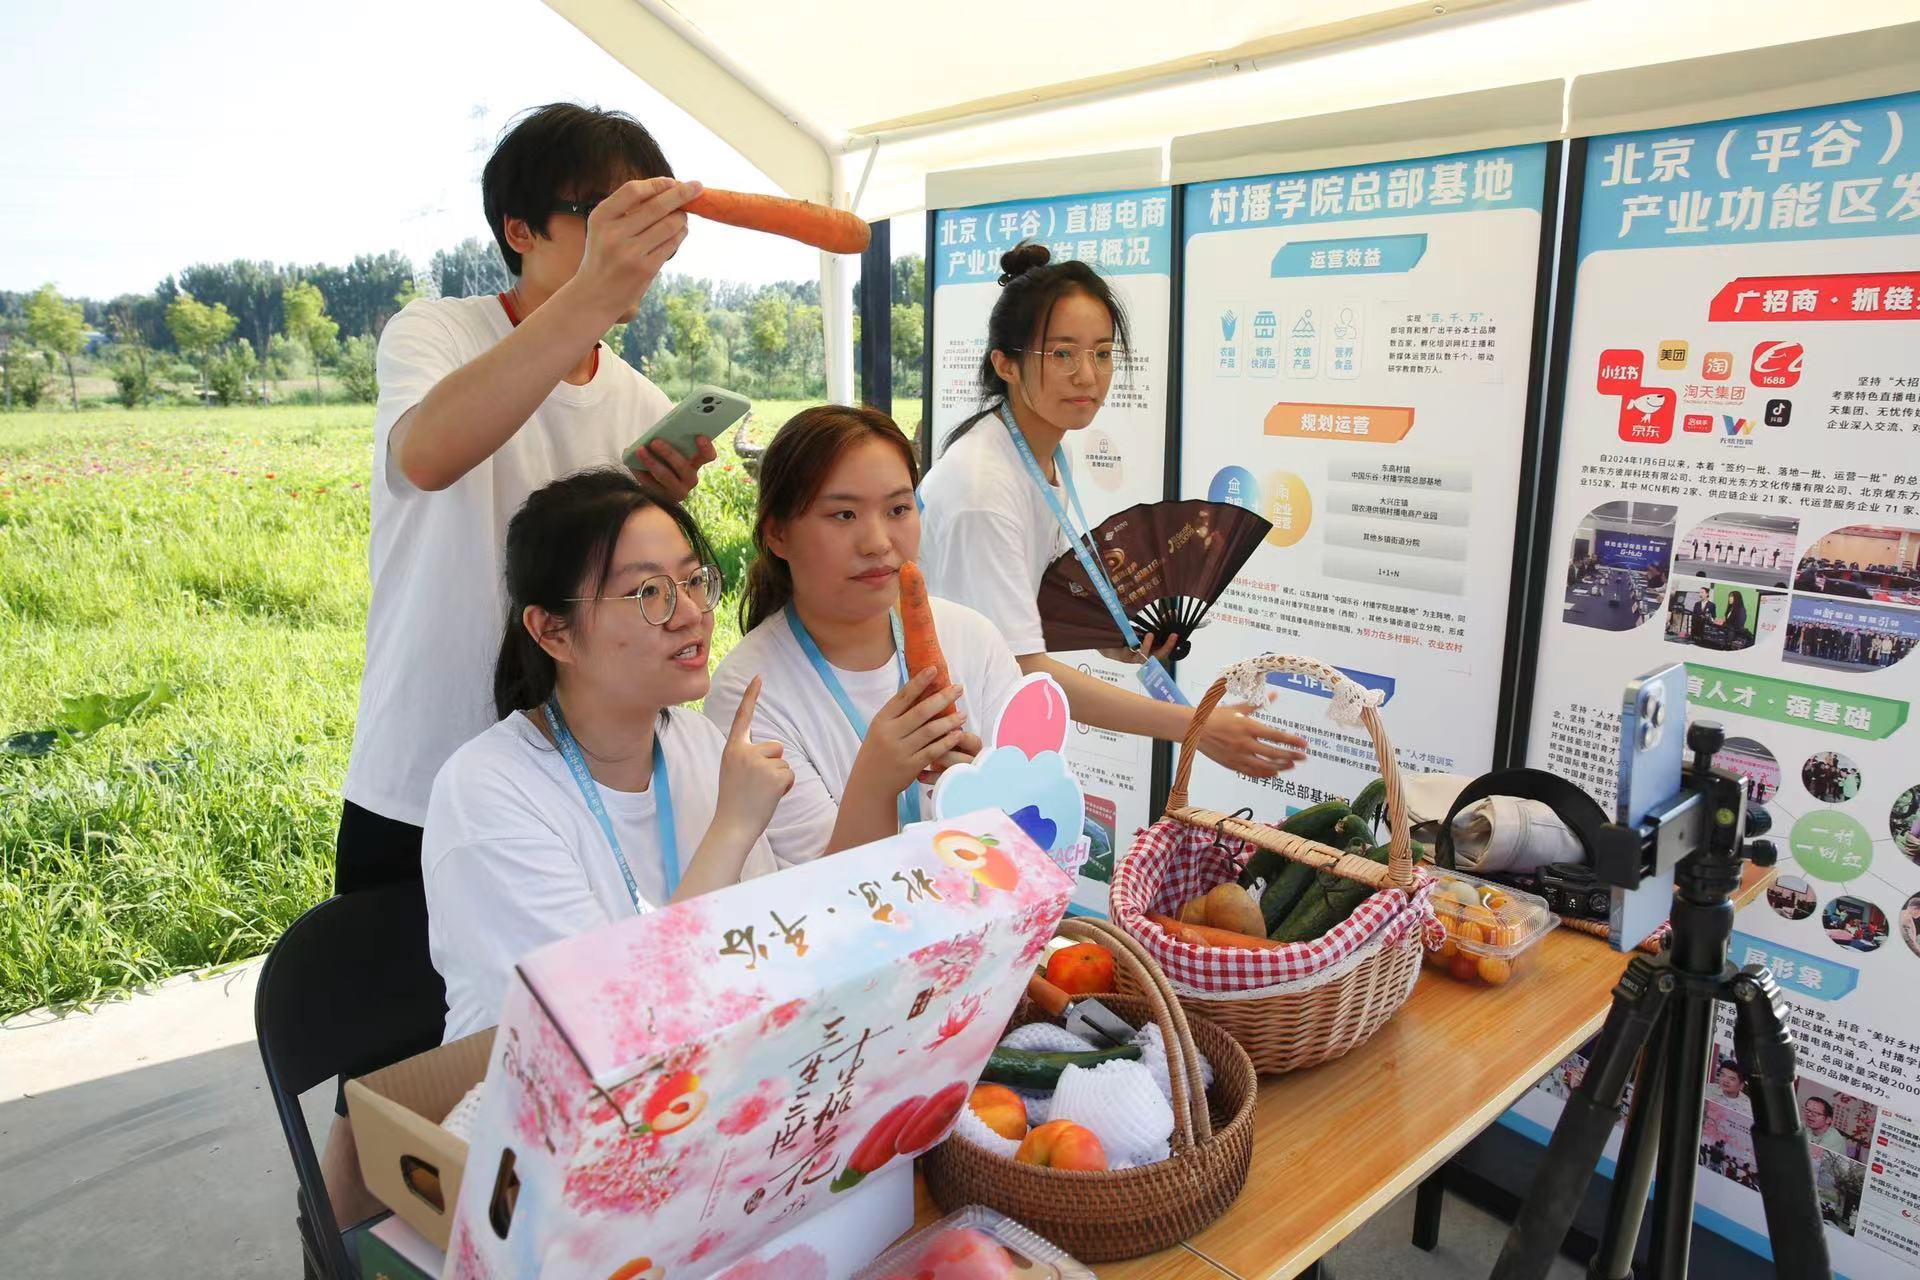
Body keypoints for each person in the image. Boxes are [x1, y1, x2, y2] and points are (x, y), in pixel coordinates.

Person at [322, 103, 718, 1220]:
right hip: (418, 767)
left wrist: (653, 502)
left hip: (557, 790)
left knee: (529, 1051)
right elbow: (432, 450)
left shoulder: (633, 398)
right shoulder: (434, 334)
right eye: (601, 214)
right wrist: (592, 293)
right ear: (519, 229)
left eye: (653, 214)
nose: (635, 240)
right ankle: (341, 1236)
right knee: (394, 1074)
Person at [918, 242, 1306, 780]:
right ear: (1004, 364)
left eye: (1102, 353)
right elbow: (1020, 668)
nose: (1088, 376)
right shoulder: (983, 489)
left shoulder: (1047, 450)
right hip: (952, 752)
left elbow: (1036, 606)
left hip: (993, 736)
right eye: (1062, 354)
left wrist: (1106, 636)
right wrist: (1194, 724)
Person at [424, 469, 788, 1041]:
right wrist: (734, 826)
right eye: (649, 593)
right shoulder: (486, 793)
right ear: (553, 633)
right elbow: (605, 1032)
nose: (691, 613)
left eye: (693, 580)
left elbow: (763, 958)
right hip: (540, 1113)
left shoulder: (698, 747)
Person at [707, 406, 1025, 862]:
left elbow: (1033, 830)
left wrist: (985, 800)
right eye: (843, 515)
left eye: (898, 509)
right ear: (778, 534)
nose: (878, 542)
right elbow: (815, 904)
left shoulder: (974, 639)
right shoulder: (750, 698)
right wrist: (874, 784)